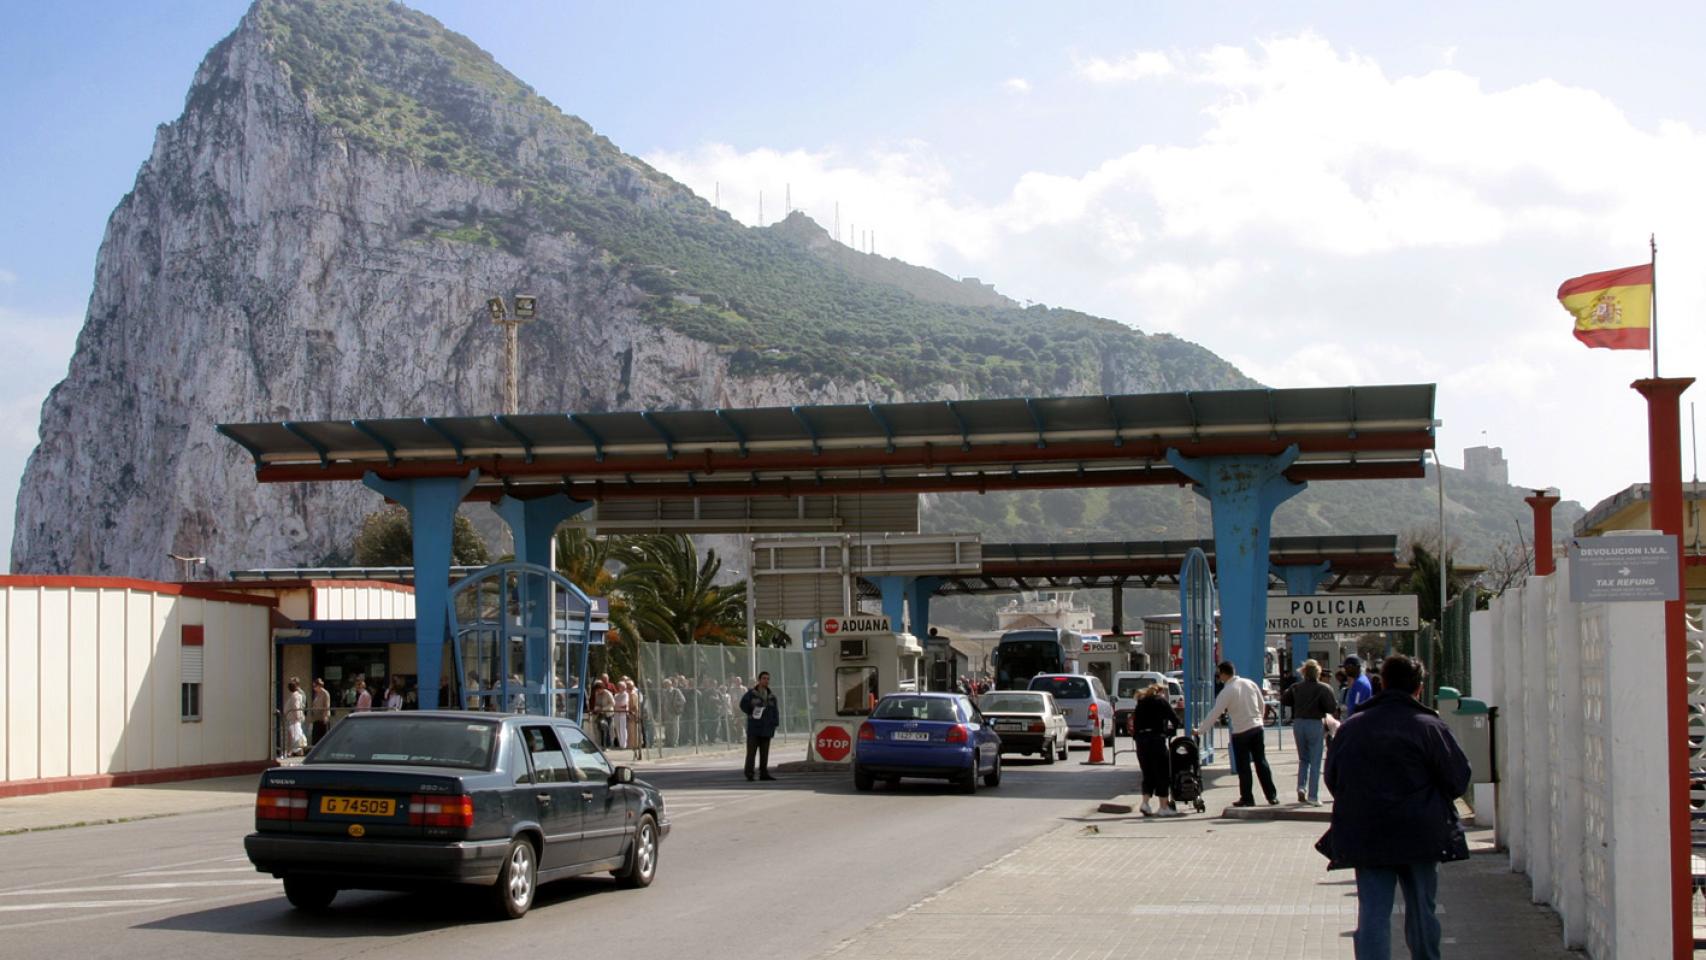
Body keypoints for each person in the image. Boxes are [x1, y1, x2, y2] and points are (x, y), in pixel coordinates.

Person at [1324, 654, 1471, 960]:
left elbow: (1333, 779)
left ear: (1383, 684)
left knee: (1373, 913)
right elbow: (1458, 779)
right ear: (1418, 688)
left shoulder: (1353, 727)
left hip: (1366, 833)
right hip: (1421, 833)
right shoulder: (1430, 727)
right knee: (1422, 910)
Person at [1195, 660, 1278, 807]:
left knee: (1244, 766)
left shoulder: (1227, 691)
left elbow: (1215, 713)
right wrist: (1259, 718)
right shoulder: (1249, 683)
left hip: (1240, 731)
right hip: (1257, 727)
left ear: (1223, 673)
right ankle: (1271, 796)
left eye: (1218, 674)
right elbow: (1261, 703)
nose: (1218, 677)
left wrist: (1200, 730)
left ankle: (1247, 798)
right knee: (1261, 762)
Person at [1281, 658, 1338, 805]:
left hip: (1298, 723)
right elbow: (1331, 708)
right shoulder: (1324, 688)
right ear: (1318, 673)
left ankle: (1301, 787)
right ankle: (1313, 796)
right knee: (1315, 761)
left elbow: (1285, 699)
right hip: (1314, 723)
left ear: (1303, 672)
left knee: (1303, 758)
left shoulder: (1296, 687)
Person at [1132, 683, 1183, 816]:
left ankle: (1145, 803)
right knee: (1162, 772)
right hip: (1156, 740)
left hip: (1141, 741)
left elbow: (1135, 724)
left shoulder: (1141, 702)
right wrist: (1169, 732)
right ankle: (1163, 807)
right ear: (1161, 692)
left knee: (1147, 773)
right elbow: (1175, 720)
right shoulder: (1161, 701)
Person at [739, 671, 780, 781]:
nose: (766, 680)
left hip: (766, 728)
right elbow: (742, 705)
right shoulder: (751, 694)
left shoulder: (771, 697)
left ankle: (764, 773)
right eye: (764, 678)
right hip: (754, 728)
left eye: (767, 678)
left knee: (764, 753)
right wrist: (751, 711)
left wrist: (775, 723)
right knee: (751, 753)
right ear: (759, 680)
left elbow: (775, 711)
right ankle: (749, 773)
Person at [281, 679, 307, 757]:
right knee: (295, 736)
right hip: (293, 719)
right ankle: (293, 752)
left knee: (297, 737)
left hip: (295, 719)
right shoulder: (294, 695)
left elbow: (296, 707)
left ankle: (299, 753)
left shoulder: (296, 695)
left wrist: (297, 717)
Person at [309, 678, 331, 744]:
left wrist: (325, 716)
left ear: (319, 686)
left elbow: (326, 706)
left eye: (315, 686)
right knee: (315, 738)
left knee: (323, 737)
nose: (314, 688)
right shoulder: (316, 694)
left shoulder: (325, 693)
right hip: (316, 718)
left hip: (322, 718)